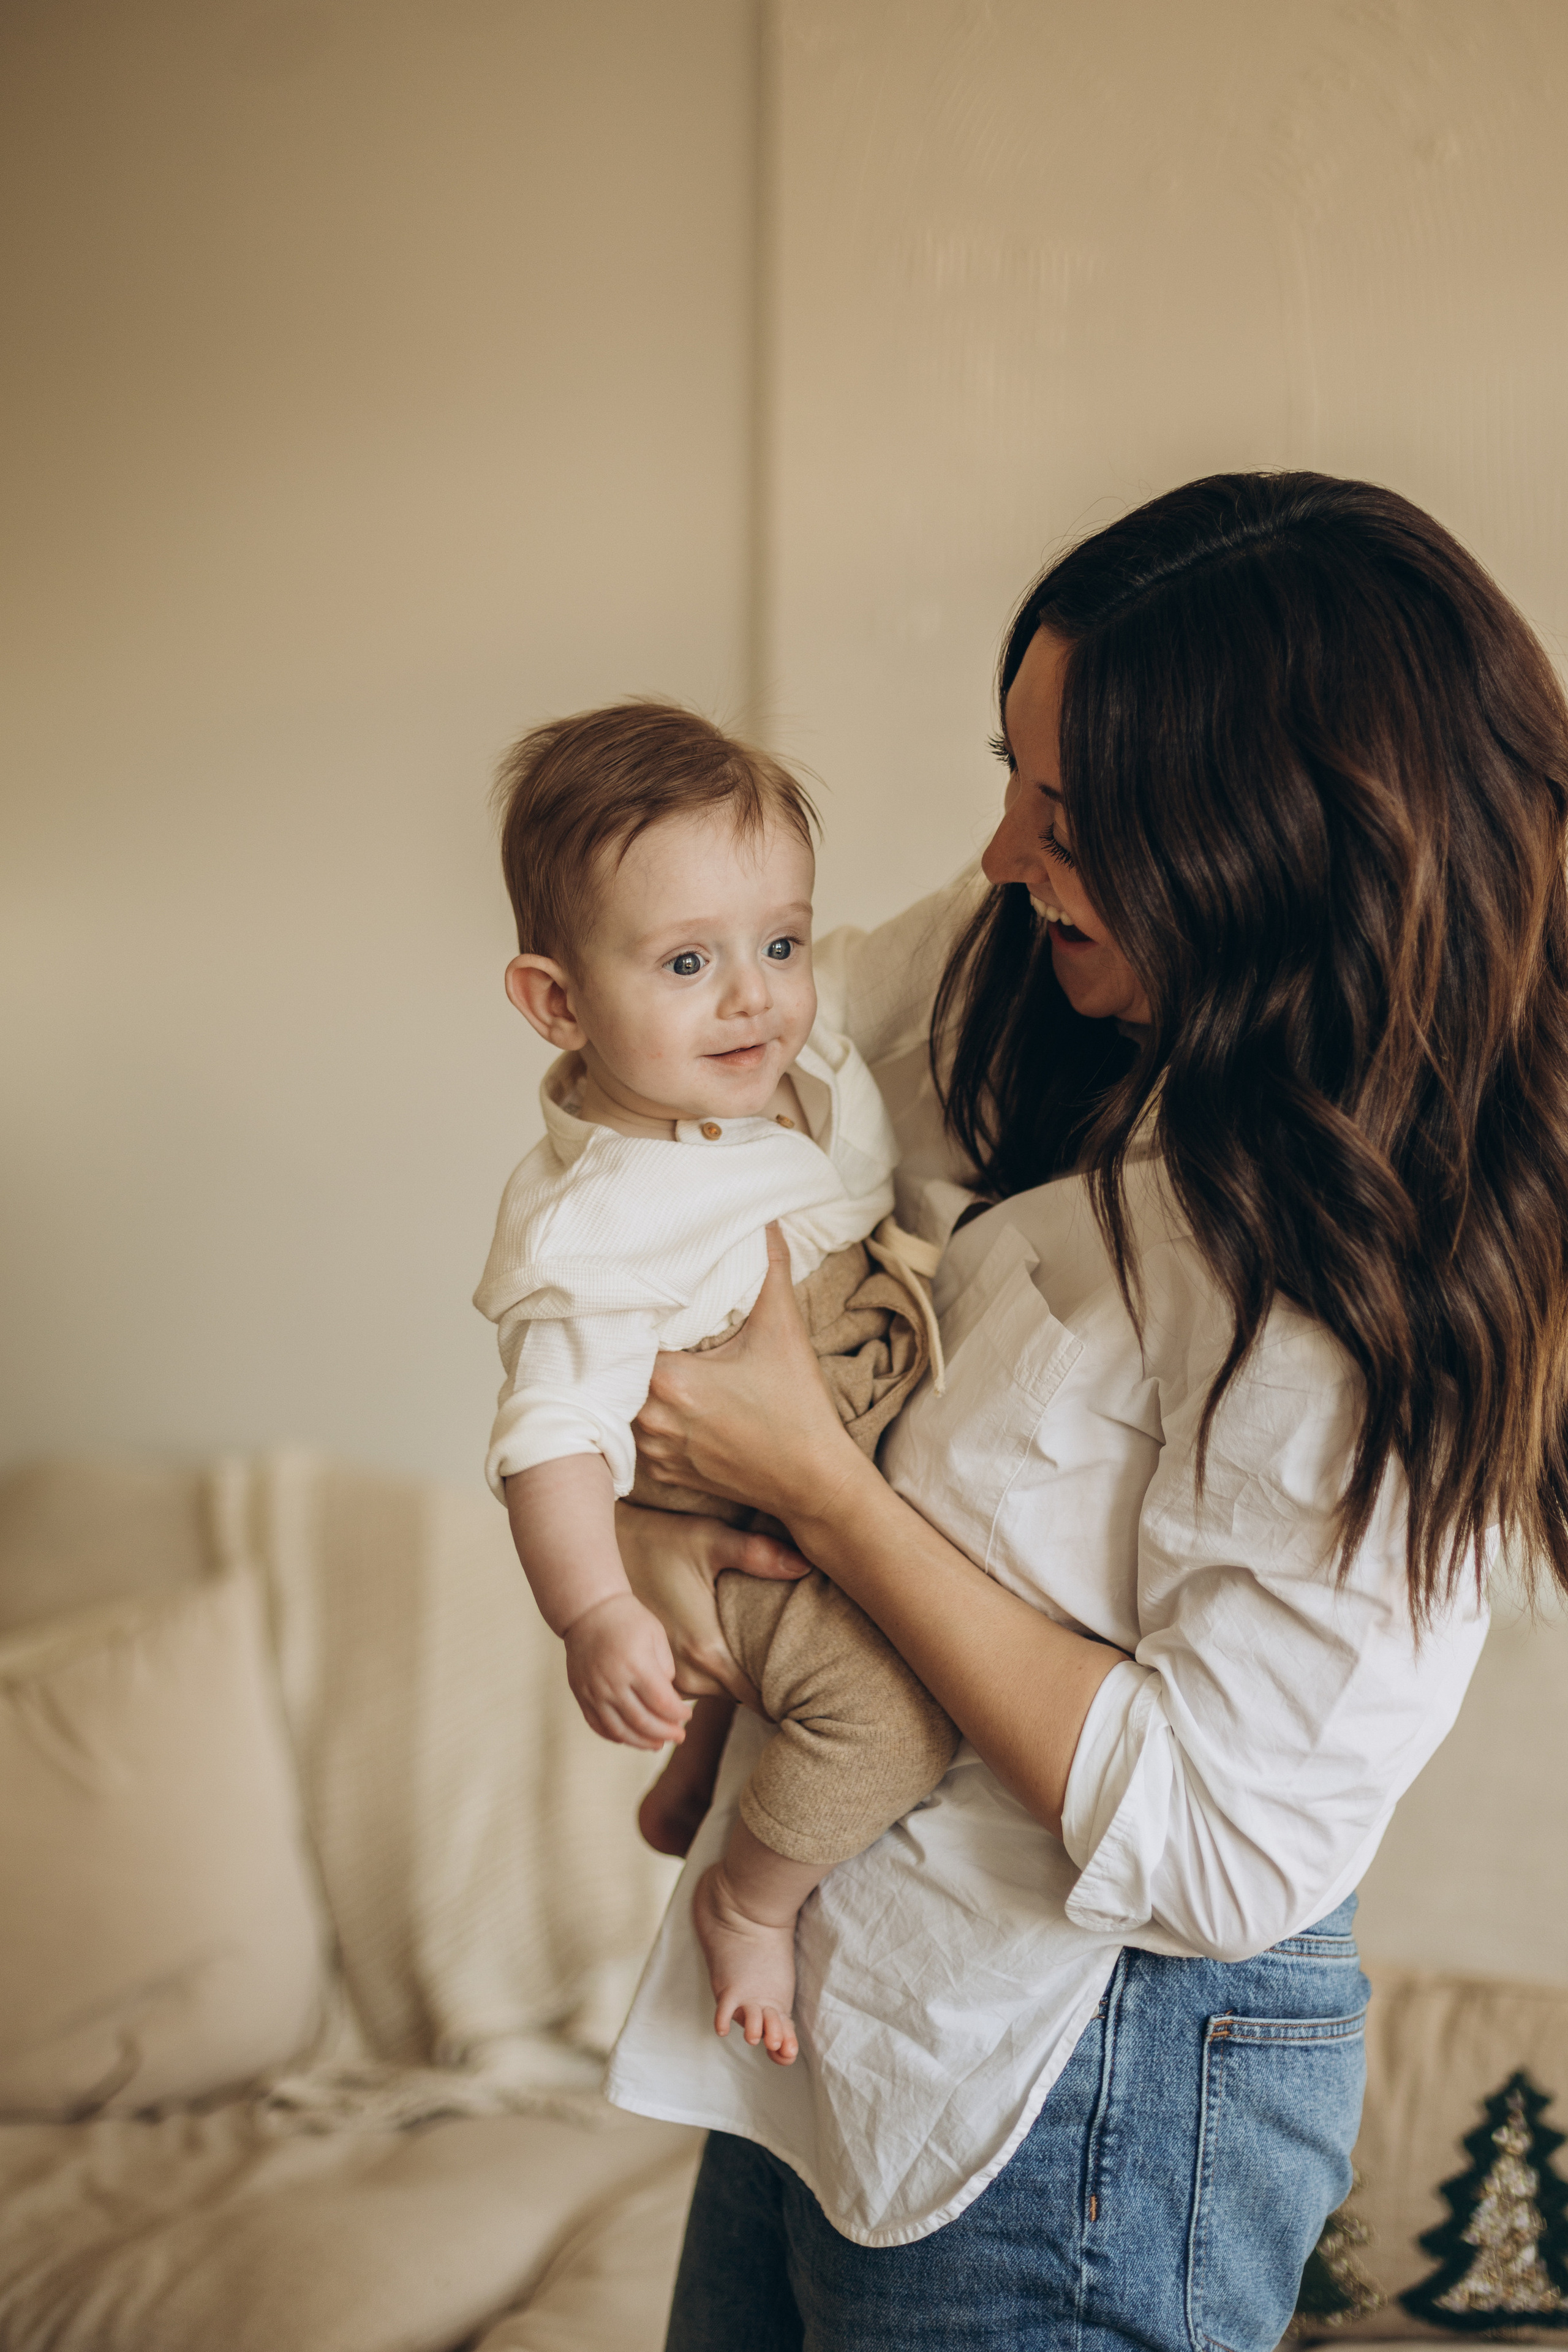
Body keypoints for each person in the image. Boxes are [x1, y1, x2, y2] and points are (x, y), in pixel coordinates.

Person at [605, 473, 1568, 2352]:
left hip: (1079, 2087)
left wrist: (818, 1484)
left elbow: (1221, 1844)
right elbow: (765, 1047)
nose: (1004, 849)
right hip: (842, 1994)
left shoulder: (1366, 1285)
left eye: (1069, 814)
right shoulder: (1052, 980)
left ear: (1269, 845)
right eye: (1016, 776)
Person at [474, 701, 958, 2067]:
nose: (755, 993)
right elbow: (552, 1435)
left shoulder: (788, 1073)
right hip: (751, 1547)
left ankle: (701, 1768)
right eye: (689, 960)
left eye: (781, 944)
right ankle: (748, 1900)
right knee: (889, 1717)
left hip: (830, 1451)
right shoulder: (595, 1226)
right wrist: (591, 1610)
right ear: (556, 1002)